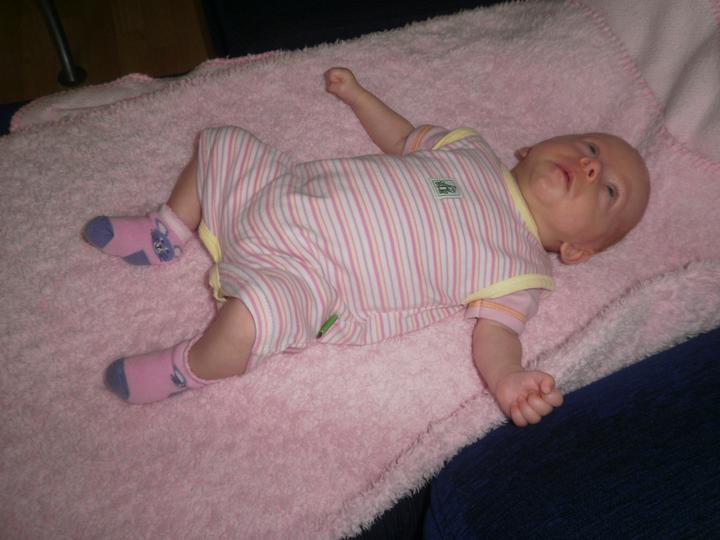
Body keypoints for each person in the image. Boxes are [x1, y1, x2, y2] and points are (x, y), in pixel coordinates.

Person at [83, 67, 650, 426]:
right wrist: (359, 97)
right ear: (530, 147)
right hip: (278, 192)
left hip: (308, 277)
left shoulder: (519, 268)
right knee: (221, 144)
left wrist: (508, 379)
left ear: (576, 250)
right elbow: (403, 137)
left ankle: (188, 368)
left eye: (608, 189)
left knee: (250, 319)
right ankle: (165, 233)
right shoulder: (469, 149)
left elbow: (496, 334)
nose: (589, 166)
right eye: (589, 147)